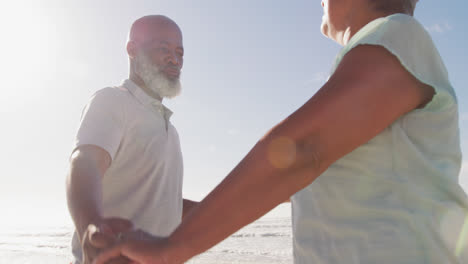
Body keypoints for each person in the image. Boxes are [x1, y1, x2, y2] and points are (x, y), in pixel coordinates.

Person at [94, 0, 468, 263]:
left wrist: (172, 249)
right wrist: (153, 211)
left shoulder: (399, 34)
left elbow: (302, 149)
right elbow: (282, 184)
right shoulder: (377, 60)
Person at [66, 15, 198, 264]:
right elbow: (85, 162)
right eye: (164, 49)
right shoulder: (113, 101)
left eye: (180, 52)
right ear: (132, 49)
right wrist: (90, 225)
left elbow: (166, 204)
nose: (175, 59)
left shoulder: (170, 130)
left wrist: (240, 205)